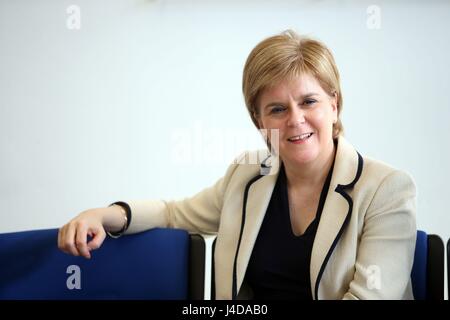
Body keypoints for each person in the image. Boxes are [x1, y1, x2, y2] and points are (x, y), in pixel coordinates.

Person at [58, 30, 417, 300]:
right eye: (277, 109)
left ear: (334, 105)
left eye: (309, 101)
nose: (295, 120)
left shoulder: (386, 189)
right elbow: (172, 215)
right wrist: (106, 214)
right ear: (259, 121)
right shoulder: (247, 174)